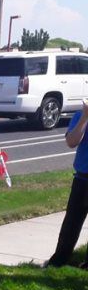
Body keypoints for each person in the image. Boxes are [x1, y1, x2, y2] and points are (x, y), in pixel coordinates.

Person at [46, 99, 88, 268]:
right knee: (71, 222)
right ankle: (60, 260)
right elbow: (71, 142)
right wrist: (85, 117)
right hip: (82, 178)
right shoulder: (80, 115)